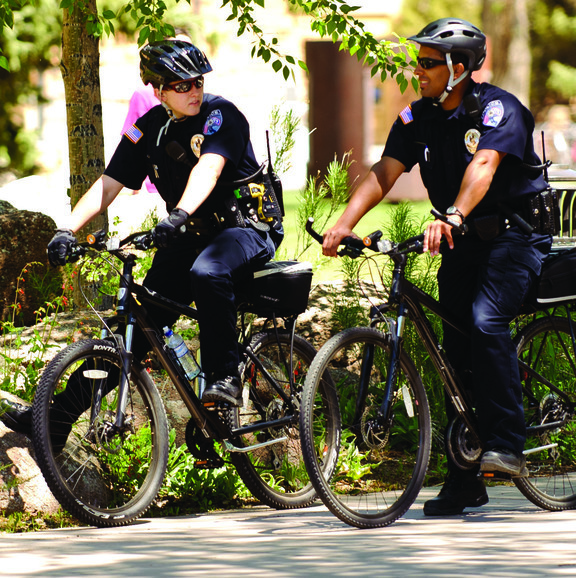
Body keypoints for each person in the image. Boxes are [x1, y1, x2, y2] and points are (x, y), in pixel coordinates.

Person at [322, 18, 553, 516]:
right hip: (461, 243)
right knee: (453, 354)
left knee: (485, 322)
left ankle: (509, 444)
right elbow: (385, 172)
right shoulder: (417, 117)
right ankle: (464, 479)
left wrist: (453, 214)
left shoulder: (498, 109)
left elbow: (485, 165)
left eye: (428, 63)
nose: (417, 70)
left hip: (514, 238)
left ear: (460, 68)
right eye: (418, 61)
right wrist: (343, 224)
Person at [0, 39, 283, 436]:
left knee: (208, 271)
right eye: (181, 85)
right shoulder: (148, 128)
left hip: (245, 227)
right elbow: (109, 183)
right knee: (136, 325)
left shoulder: (222, 116)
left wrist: (179, 213)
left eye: (197, 82)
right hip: (190, 233)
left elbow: (210, 169)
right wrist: (67, 229)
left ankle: (225, 377)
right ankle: (56, 420)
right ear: (158, 89)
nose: (194, 91)